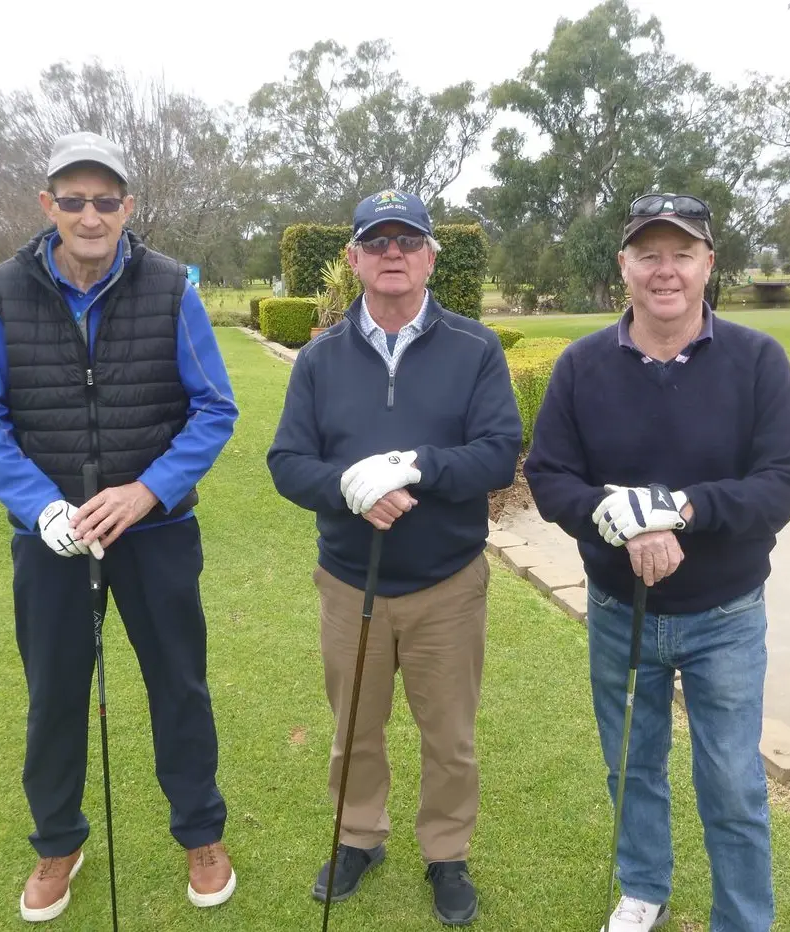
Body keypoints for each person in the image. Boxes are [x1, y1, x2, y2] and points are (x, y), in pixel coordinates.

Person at [0, 130, 240, 922]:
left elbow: (214, 407)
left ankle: (201, 834)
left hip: (154, 534)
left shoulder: (171, 287)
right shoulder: (3, 290)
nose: (90, 214)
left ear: (127, 207)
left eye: (105, 200)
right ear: (48, 206)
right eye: (73, 200)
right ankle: (58, 842)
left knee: (179, 687)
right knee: (54, 696)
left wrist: (147, 491)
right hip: (51, 539)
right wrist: (38, 505)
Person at [522, 193, 790, 932]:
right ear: (623, 266)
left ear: (708, 265)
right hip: (621, 614)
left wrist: (679, 511)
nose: (665, 270)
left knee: (733, 781)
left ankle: (743, 919)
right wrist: (611, 518)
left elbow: (783, 479)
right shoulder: (583, 366)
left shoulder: (757, 360)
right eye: (648, 253)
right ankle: (642, 886)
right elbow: (551, 474)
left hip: (725, 616)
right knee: (632, 764)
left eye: (682, 253)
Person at [266, 189, 522, 926]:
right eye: (376, 243)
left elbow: (499, 454)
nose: (392, 255)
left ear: (430, 257)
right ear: (352, 260)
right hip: (352, 582)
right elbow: (287, 462)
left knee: (450, 735)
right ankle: (358, 837)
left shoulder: (474, 348)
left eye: (406, 242)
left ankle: (446, 853)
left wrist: (414, 468)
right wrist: (349, 487)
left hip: (448, 583)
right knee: (354, 726)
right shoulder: (319, 359)